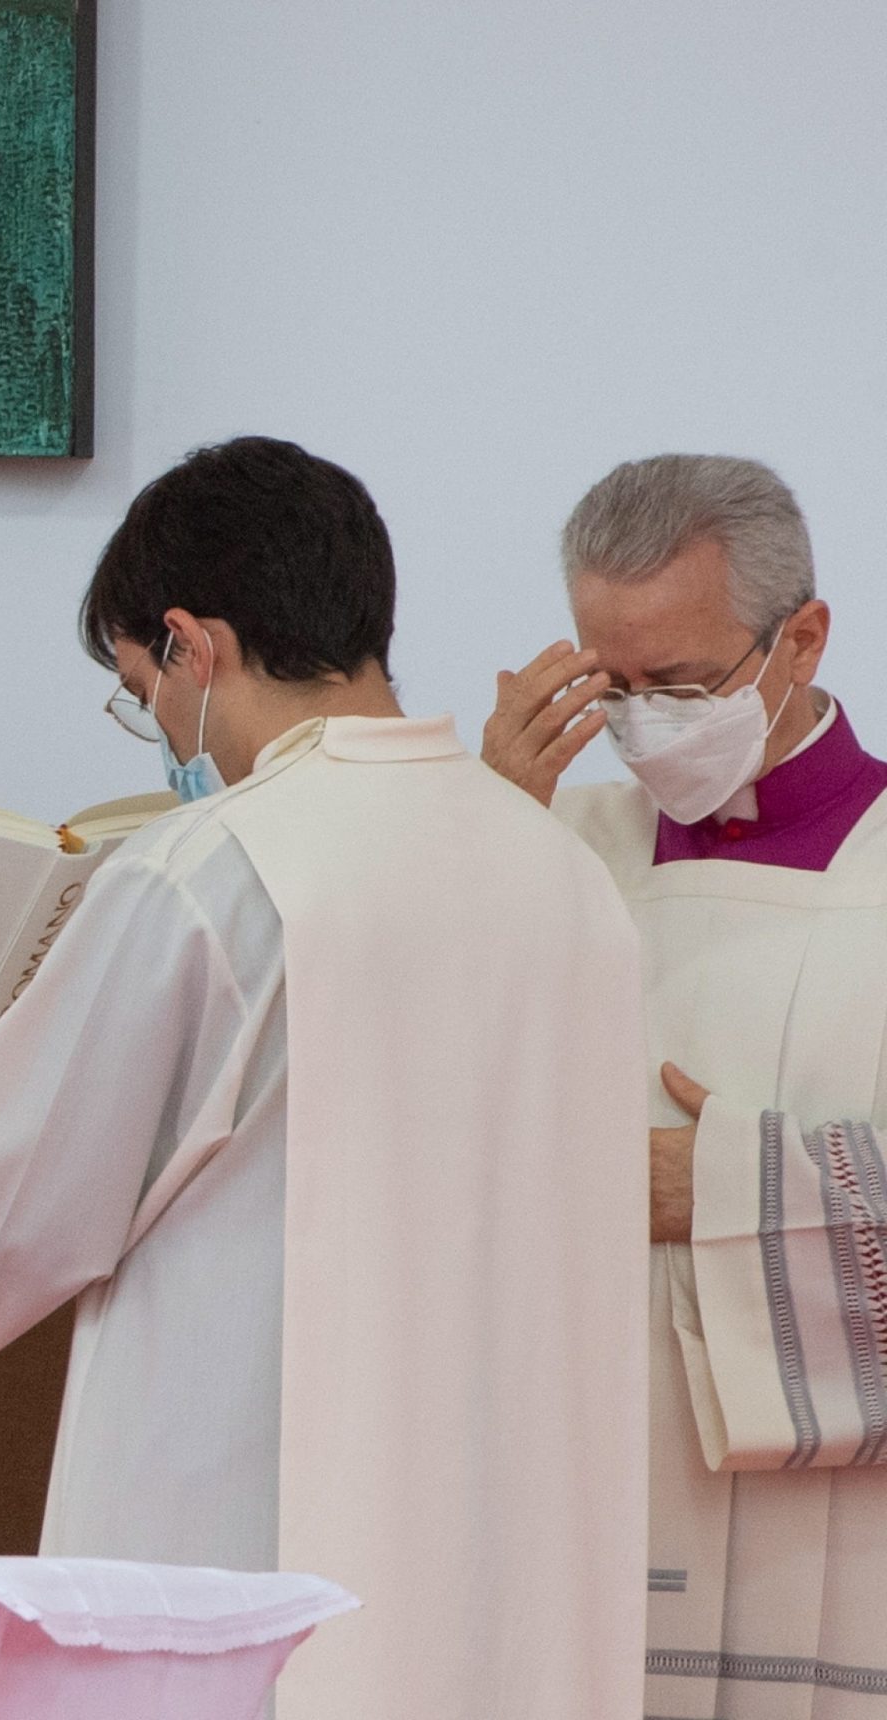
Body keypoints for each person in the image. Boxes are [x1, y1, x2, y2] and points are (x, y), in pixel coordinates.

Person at [0, 437, 648, 1717]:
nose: (160, 726)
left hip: (247, 1580)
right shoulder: (555, 871)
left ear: (189, 645)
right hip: (510, 1579)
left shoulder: (211, 871)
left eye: (138, 685)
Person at [482, 453, 887, 1717]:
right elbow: (409, 1115)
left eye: (683, 684)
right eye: (615, 687)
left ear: (801, 638)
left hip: (833, 1536)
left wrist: (724, 1184)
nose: (646, 721)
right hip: (571, 1476)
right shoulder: (545, 847)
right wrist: (478, 833)